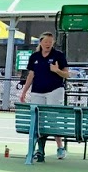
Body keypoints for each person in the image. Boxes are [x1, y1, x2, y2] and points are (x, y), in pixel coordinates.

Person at [20, 31, 72, 161]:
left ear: (53, 42)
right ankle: (38, 150)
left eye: (50, 41)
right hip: (37, 91)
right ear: (41, 42)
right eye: (46, 41)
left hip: (55, 90)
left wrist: (57, 71)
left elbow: (67, 74)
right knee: (38, 121)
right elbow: (31, 75)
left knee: (53, 119)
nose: (48, 44)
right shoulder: (35, 57)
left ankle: (60, 147)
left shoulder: (58, 55)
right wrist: (24, 91)